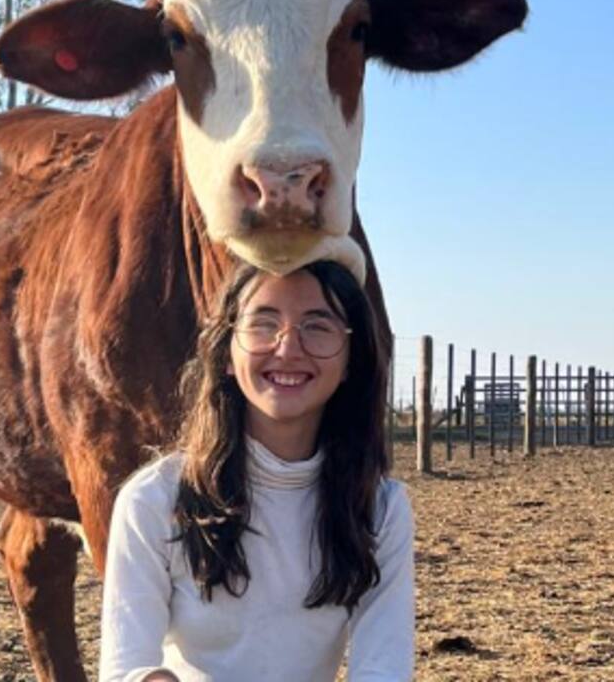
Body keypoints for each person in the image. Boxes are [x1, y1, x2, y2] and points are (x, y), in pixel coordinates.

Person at [98, 261, 414, 682]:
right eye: (264, 324)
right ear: (228, 351)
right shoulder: (153, 500)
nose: (287, 348)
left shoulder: (380, 507)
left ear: (351, 360)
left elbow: (383, 668)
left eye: (317, 326)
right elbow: (124, 668)